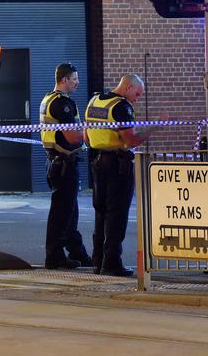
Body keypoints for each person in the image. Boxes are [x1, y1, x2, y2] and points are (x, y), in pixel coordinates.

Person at [85, 74, 161, 277]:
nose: (137, 98)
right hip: (118, 165)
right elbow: (130, 141)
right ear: (128, 87)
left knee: (100, 212)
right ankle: (111, 263)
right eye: (137, 93)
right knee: (116, 215)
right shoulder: (122, 107)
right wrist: (153, 128)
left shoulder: (94, 101)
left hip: (96, 162)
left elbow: (86, 136)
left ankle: (98, 261)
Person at [39, 63, 92, 270]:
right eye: (75, 79)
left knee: (69, 212)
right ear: (64, 80)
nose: (77, 82)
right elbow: (71, 136)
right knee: (62, 214)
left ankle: (77, 252)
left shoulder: (48, 99)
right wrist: (91, 132)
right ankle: (54, 256)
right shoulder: (63, 104)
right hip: (63, 163)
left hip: (56, 161)